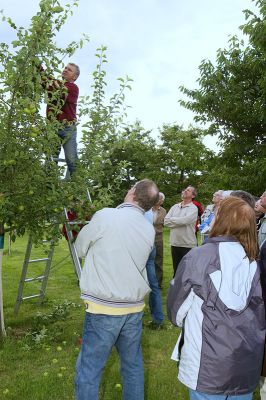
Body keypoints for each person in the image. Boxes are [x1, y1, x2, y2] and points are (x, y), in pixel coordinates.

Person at [167, 197, 265, 400]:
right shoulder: (253, 261)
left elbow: (177, 311)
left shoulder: (199, 257)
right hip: (245, 362)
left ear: (222, 219)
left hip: (207, 364)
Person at [74, 179, 159, 400]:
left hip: (104, 307)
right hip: (133, 308)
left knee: (89, 371)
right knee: (132, 367)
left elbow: (80, 248)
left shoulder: (106, 215)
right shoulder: (148, 228)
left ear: (132, 193)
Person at [42, 63, 80, 176]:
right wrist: (36, 64)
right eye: (65, 68)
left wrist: (47, 80)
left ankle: (77, 186)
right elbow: (42, 80)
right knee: (50, 161)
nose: (65, 70)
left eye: (69, 70)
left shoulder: (73, 88)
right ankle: (49, 189)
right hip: (53, 127)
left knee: (71, 159)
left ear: (75, 77)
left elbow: (61, 91)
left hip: (68, 128)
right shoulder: (53, 85)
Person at [164, 186, 198, 276]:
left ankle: (186, 290)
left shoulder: (193, 208)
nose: (185, 191)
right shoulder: (175, 207)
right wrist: (179, 221)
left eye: (188, 190)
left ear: (193, 195)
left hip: (188, 244)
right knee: (176, 271)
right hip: (175, 243)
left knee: (187, 272)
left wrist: (173, 220)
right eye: (185, 189)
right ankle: (175, 289)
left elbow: (186, 220)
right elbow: (166, 221)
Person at [144, 208, 164, 329]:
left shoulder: (138, 211)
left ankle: (131, 318)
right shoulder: (149, 210)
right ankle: (158, 318)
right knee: (153, 284)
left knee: (133, 282)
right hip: (150, 245)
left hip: (141, 246)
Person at [152, 192, 166, 288]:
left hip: (158, 239)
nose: (158, 200)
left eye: (160, 198)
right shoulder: (147, 210)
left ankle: (158, 283)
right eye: (157, 198)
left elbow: (166, 223)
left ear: (162, 201)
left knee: (158, 261)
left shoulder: (164, 211)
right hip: (146, 239)